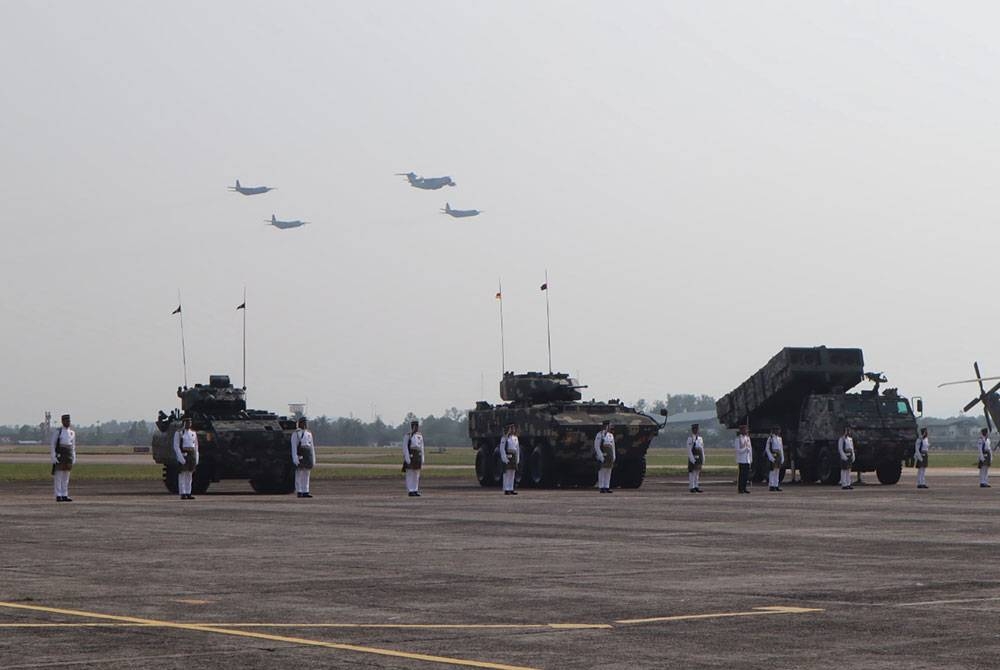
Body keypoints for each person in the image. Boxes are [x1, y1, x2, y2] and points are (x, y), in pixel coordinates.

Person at [50, 414, 76, 502]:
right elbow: (53, 444)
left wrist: (74, 456)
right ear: (62, 421)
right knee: (59, 476)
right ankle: (58, 495)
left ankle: (65, 494)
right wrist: (53, 456)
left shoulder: (72, 433)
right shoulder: (58, 431)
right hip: (60, 454)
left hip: (68, 455)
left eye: (69, 421)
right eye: (66, 421)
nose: (68, 422)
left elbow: (73, 446)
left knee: (66, 476)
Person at [172, 418, 199, 500]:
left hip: (192, 454)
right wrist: (180, 457)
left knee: (189, 474)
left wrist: (196, 457)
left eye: (190, 422)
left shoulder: (193, 433)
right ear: (183, 423)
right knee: (182, 474)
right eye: (187, 422)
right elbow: (176, 446)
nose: (188, 424)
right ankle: (183, 492)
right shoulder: (179, 433)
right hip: (183, 454)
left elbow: (196, 446)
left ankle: (188, 492)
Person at [291, 417, 315, 498]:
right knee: (299, 473)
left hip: (307, 454)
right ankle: (299, 491)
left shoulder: (309, 434)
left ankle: (306, 491)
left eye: (306, 423)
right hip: (300, 454)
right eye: (304, 422)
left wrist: (313, 459)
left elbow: (312, 447)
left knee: (306, 473)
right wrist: (295, 458)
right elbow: (294, 446)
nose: (305, 424)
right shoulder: (296, 434)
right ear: (300, 423)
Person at [403, 420, 424, 497]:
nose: (416, 428)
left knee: (416, 474)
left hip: (417, 455)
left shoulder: (420, 435)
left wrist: (423, 457)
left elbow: (422, 447)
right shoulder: (408, 435)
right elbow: (405, 447)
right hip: (411, 455)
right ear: (412, 426)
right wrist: (407, 457)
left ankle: (415, 489)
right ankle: (410, 490)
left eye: (417, 426)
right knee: (410, 474)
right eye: (414, 426)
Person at [498, 423, 520, 495]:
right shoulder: (504, 438)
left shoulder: (515, 438)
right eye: (511, 429)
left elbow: (517, 449)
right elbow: (502, 448)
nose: (513, 430)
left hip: (513, 455)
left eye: (513, 429)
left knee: (512, 473)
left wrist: (517, 458)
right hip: (508, 455)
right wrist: (504, 458)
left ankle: (511, 488)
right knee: (506, 473)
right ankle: (506, 489)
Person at [594, 420, 615, 493]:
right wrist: (600, 456)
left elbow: (613, 446)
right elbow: (597, 446)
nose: (610, 427)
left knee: (608, 471)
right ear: (606, 426)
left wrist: (614, 456)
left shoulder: (610, 435)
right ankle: (601, 487)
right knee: (602, 471)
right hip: (603, 454)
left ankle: (607, 486)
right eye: (609, 425)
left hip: (610, 455)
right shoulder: (599, 435)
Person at [686, 424, 705, 493]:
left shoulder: (700, 438)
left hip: (699, 457)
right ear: (692, 430)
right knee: (692, 473)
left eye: (697, 429)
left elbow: (702, 449)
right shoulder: (690, 438)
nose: (696, 430)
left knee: (697, 473)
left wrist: (703, 458)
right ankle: (692, 487)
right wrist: (692, 459)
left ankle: (696, 486)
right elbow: (689, 450)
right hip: (693, 457)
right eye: (695, 429)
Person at [734, 424, 752, 494]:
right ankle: (740, 489)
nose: (746, 431)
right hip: (741, 459)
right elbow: (738, 450)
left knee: (746, 475)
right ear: (741, 430)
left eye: (746, 429)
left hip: (747, 459)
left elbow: (750, 449)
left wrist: (750, 458)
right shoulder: (738, 439)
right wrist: (745, 449)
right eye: (745, 429)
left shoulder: (747, 438)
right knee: (741, 475)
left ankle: (744, 488)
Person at [766, 427, 784, 492]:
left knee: (777, 471)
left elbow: (781, 449)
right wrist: (771, 457)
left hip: (778, 455)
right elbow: (767, 448)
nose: (778, 431)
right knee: (772, 471)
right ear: (774, 431)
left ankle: (776, 485)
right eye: (777, 430)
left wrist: (782, 457)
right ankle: (771, 485)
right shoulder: (771, 438)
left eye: (779, 430)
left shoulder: (779, 439)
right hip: (773, 455)